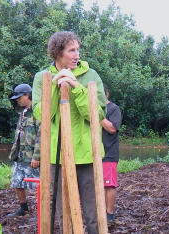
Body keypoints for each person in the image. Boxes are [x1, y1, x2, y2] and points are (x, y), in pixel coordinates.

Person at [32, 31, 106, 234]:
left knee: (93, 215)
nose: (77, 55)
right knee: (65, 215)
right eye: (71, 50)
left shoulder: (91, 76)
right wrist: (56, 85)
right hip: (58, 157)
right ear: (57, 53)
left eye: (77, 50)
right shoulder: (42, 78)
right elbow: (42, 115)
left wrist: (75, 86)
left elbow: (96, 115)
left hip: (88, 155)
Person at [7, 84, 40, 218]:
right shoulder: (22, 113)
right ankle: (23, 208)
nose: (17, 100)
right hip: (20, 155)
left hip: (32, 156)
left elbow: (41, 135)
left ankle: (41, 212)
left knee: (37, 184)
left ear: (27, 95)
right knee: (17, 181)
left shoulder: (37, 111)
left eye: (19, 97)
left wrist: (37, 156)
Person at [101, 84, 121, 221]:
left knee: (109, 183)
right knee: (98, 183)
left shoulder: (113, 109)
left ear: (106, 94)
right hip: (94, 153)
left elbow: (112, 128)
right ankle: (100, 211)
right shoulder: (90, 109)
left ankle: (109, 213)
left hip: (109, 152)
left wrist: (99, 115)